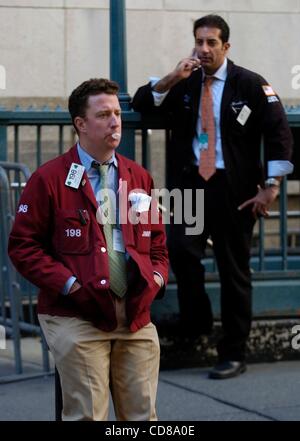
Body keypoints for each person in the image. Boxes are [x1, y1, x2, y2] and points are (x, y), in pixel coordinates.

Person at [132, 15, 293, 379]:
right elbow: (144, 102)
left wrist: (271, 185)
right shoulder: (185, 84)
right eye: (198, 42)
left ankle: (234, 351)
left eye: (211, 43)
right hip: (191, 186)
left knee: (233, 269)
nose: (203, 50)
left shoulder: (249, 84)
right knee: (180, 250)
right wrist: (174, 76)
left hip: (234, 189)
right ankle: (196, 320)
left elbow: (280, 134)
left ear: (226, 47)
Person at [8, 78, 169, 420]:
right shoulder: (49, 179)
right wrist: (71, 285)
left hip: (135, 313)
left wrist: (155, 279)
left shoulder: (138, 176)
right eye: (104, 114)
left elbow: (157, 242)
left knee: (143, 416)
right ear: (80, 124)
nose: (115, 122)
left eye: (117, 114)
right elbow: (23, 247)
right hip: (75, 313)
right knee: (86, 415)